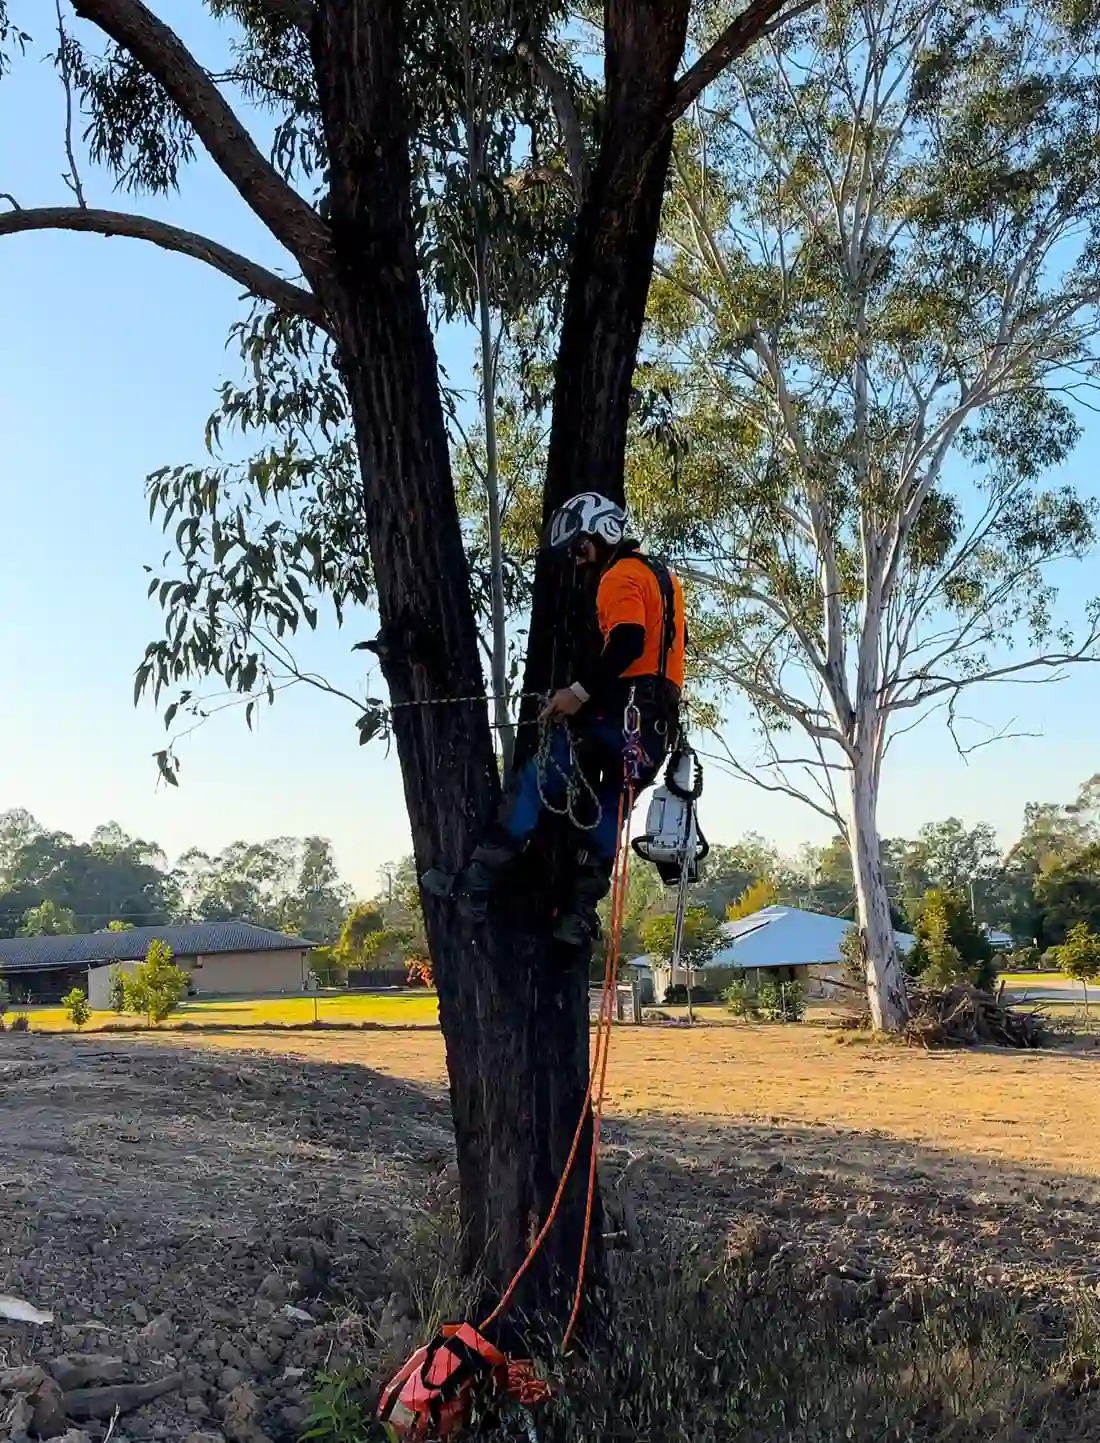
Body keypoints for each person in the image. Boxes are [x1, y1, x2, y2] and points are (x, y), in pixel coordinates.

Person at [424, 492, 686, 947]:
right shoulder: (664, 579)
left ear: (603, 533)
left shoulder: (619, 577)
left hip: (617, 712)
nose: (578, 559)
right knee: (611, 808)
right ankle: (578, 915)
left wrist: (578, 693)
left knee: (539, 781)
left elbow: (626, 643)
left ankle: (476, 885)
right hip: (655, 724)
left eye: (580, 546)